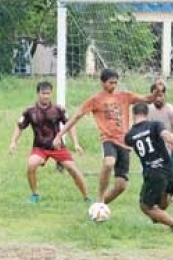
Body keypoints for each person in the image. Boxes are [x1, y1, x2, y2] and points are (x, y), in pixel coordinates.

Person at [53, 69, 154, 204]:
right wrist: (60, 134)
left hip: (124, 142)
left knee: (121, 186)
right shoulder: (95, 100)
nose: (114, 85)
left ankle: (99, 205)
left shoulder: (125, 95)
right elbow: (76, 116)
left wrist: (157, 93)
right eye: (110, 83)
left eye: (116, 83)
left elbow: (147, 99)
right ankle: (100, 195)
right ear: (102, 83)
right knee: (108, 162)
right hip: (108, 139)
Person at [9, 81, 91, 203]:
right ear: (38, 94)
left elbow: (70, 125)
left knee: (73, 169)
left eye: (48, 93)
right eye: (43, 93)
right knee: (31, 165)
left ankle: (87, 197)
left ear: (51, 93)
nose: (46, 96)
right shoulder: (30, 111)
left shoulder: (58, 109)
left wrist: (76, 143)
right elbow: (20, 126)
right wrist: (13, 142)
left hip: (57, 147)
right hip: (40, 148)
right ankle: (34, 195)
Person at [125, 101, 173, 233]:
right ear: (147, 114)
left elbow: (127, 146)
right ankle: (160, 214)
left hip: (153, 173)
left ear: (133, 115)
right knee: (161, 205)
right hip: (169, 169)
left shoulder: (130, 135)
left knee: (145, 206)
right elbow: (166, 135)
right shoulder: (155, 125)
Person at [147, 80, 173, 169]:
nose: (158, 99)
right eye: (156, 96)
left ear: (164, 96)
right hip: (159, 147)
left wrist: (171, 145)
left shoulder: (171, 110)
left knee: (168, 171)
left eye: (160, 96)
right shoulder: (148, 110)